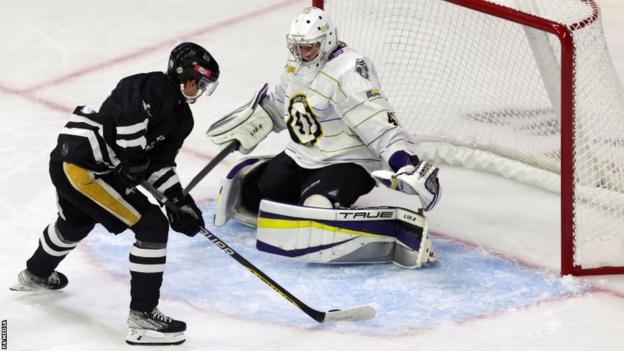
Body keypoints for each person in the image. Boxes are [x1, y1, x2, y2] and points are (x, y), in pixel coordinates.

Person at [9, 42, 218, 346]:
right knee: (151, 226)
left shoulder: (182, 119)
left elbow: (158, 165)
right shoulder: (148, 86)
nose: (197, 88)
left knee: (74, 224)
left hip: (81, 166)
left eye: (203, 85)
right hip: (82, 165)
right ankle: (142, 317)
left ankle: (35, 274)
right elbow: (128, 126)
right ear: (180, 72)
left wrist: (177, 201)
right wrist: (134, 159)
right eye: (197, 81)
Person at [207, 7, 440, 269]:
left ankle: (372, 229)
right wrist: (251, 126)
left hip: (348, 161)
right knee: (253, 195)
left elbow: (379, 124)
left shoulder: (349, 71)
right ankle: (304, 201)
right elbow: (281, 105)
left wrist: (404, 162)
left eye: (309, 47)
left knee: (317, 206)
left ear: (327, 40)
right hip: (302, 156)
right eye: (297, 47)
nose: (302, 53)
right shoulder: (296, 64)